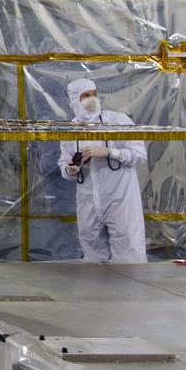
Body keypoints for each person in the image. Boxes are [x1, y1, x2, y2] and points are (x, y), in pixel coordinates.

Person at [58, 78, 148, 263]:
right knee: (93, 254)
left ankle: (133, 292)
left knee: (128, 254)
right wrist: (70, 170)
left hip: (120, 200)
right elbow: (63, 165)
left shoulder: (117, 120)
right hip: (88, 201)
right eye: (85, 96)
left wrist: (110, 152)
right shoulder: (70, 131)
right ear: (74, 100)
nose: (92, 100)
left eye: (94, 94)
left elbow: (139, 154)